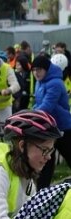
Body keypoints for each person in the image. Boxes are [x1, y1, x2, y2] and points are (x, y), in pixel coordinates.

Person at [32, 54, 71, 189]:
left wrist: (30, 115)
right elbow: (38, 103)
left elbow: (47, 106)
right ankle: (42, 191)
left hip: (63, 127)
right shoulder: (39, 82)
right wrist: (31, 111)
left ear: (47, 69)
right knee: (47, 161)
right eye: (34, 70)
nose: (36, 73)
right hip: (49, 128)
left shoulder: (55, 83)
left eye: (39, 70)